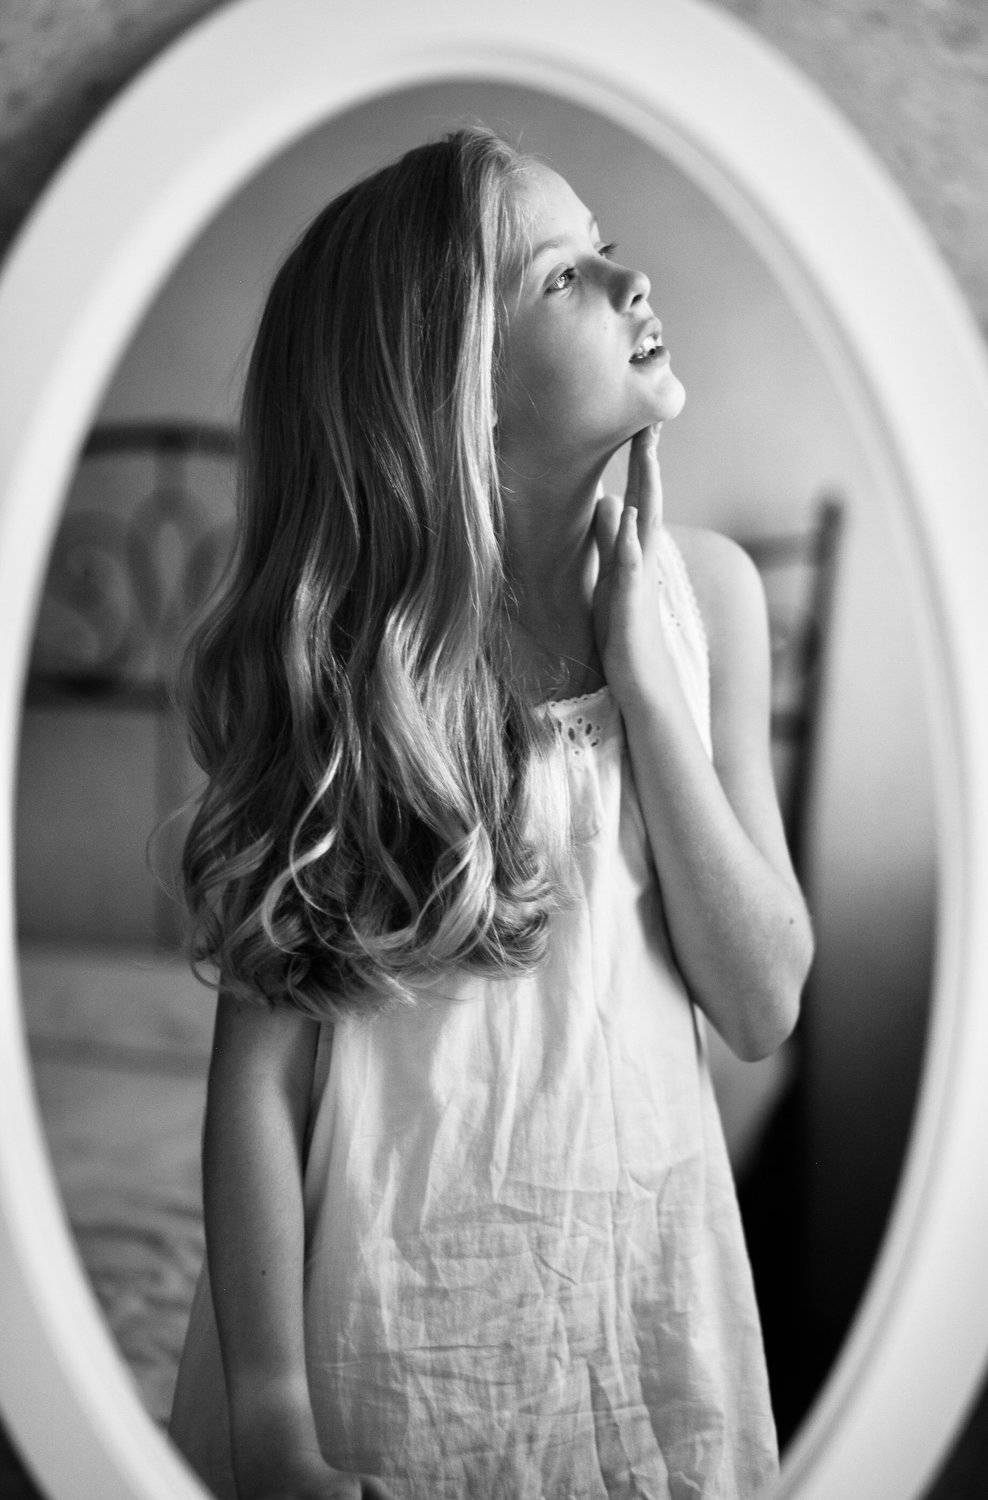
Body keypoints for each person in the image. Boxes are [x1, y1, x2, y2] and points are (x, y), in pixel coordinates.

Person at [169, 125, 813, 1500]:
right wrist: (272, 1417)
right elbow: (261, 1088)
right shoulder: (349, 673)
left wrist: (648, 689)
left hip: (631, 1327)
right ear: (451, 395)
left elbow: (762, 1007)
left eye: (604, 248)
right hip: (380, 1341)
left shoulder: (709, 600)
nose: (631, 280)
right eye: (562, 276)